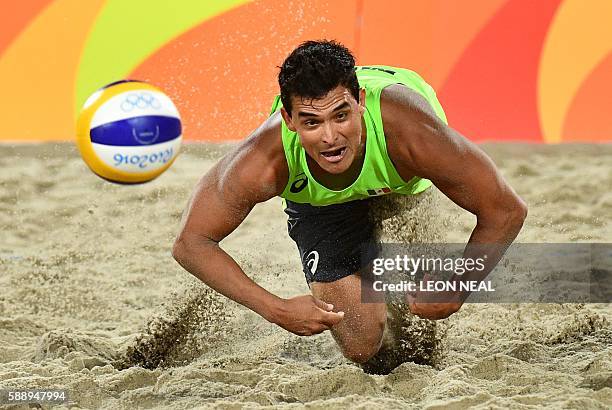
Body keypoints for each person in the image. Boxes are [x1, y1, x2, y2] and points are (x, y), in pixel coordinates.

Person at [172, 40, 527, 365]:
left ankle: (381, 271)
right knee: (360, 347)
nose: (330, 138)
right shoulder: (265, 159)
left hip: (398, 180)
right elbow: (191, 243)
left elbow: (506, 209)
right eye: (311, 122)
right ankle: (371, 274)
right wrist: (277, 309)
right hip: (323, 203)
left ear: (359, 102)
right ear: (288, 120)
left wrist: (458, 286)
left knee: (422, 274)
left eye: (340, 116)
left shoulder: (411, 135)